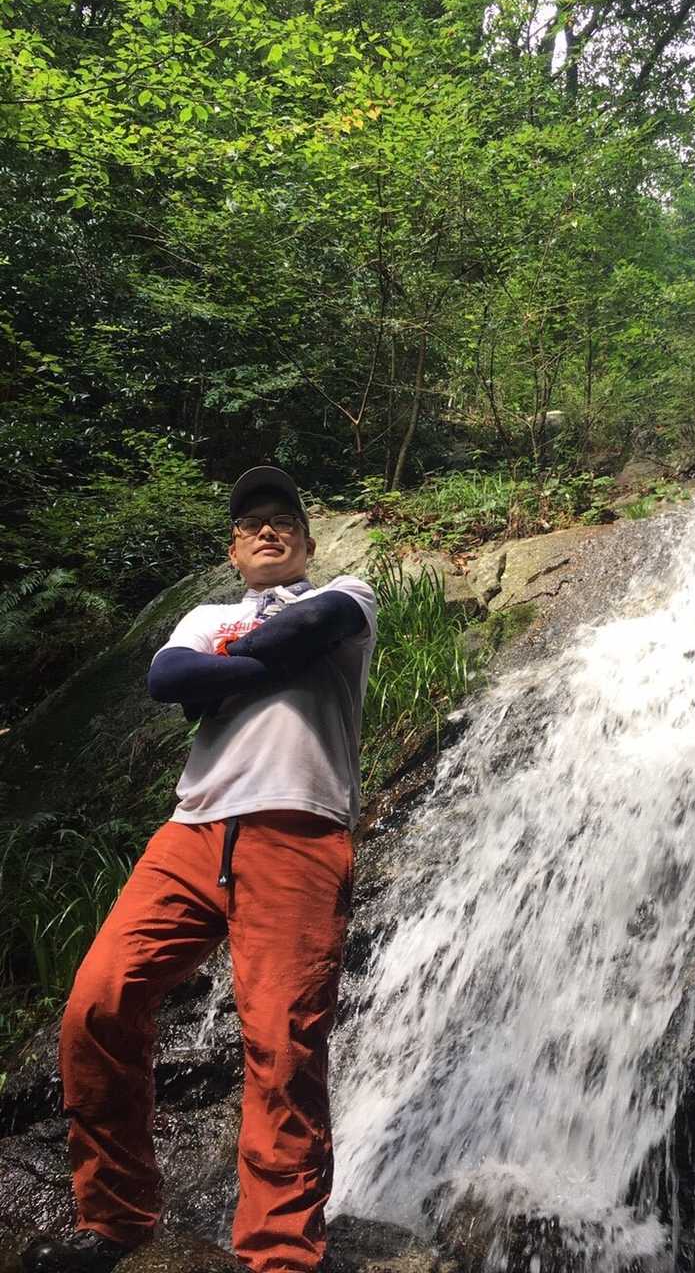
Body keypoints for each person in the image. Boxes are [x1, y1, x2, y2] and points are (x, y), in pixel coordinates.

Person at [23, 467, 377, 1273]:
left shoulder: (350, 595)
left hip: (299, 828)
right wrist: (258, 665)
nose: (267, 529)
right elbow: (167, 679)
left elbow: (298, 633)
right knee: (97, 1004)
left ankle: (281, 1253)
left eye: (283, 519)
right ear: (233, 550)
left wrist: (226, 675)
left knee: (283, 1044)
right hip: (191, 830)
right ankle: (114, 1217)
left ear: (307, 541)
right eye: (251, 523)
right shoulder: (206, 614)